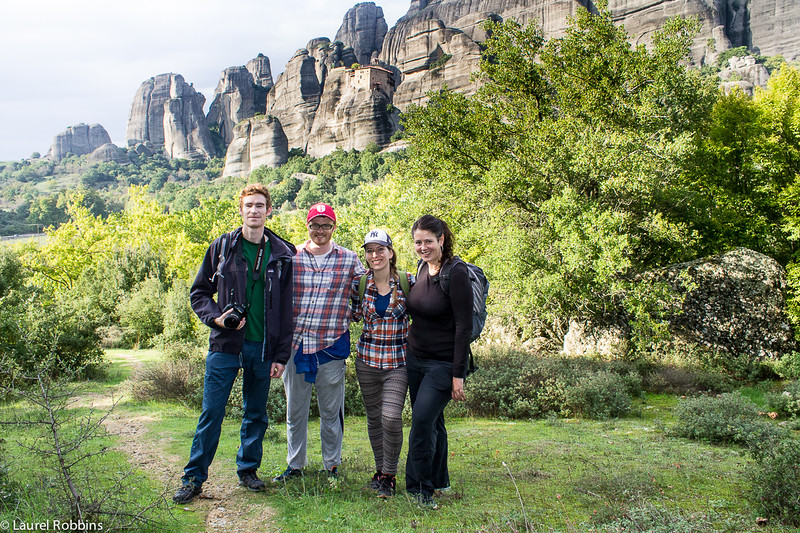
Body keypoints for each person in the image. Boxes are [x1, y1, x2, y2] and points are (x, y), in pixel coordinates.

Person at [173, 183, 296, 503]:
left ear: (269, 211)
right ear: (240, 210)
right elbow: (198, 293)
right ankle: (193, 478)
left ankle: (248, 470)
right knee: (211, 412)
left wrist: (282, 354)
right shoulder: (222, 247)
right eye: (248, 206)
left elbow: (286, 309)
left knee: (256, 412)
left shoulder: (283, 254)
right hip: (225, 345)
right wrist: (216, 317)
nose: (254, 211)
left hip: (263, 346)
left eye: (260, 206)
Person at [274, 203, 365, 482]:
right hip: (296, 348)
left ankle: (332, 465)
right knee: (295, 412)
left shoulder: (349, 259)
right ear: (307, 226)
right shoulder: (293, 256)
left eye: (326, 225)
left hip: (331, 347)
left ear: (334, 227)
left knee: (331, 412)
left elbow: (366, 289)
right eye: (315, 224)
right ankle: (295, 466)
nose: (320, 230)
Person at [404, 214, 471, 510]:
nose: (422, 247)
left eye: (428, 241)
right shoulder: (421, 268)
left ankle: (420, 488)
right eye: (418, 242)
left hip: (442, 365)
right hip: (416, 360)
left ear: (441, 239)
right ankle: (438, 478)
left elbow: (463, 327)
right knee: (433, 422)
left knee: (420, 421)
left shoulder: (455, 272)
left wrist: (458, 375)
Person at [351, 229, 414, 498]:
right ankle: (380, 472)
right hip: (366, 360)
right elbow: (353, 314)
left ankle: (390, 474)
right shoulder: (360, 284)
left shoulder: (409, 281)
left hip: (398, 361)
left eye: (380, 249)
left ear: (390, 252)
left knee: (390, 417)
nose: (375, 255)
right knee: (374, 419)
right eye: (369, 250)